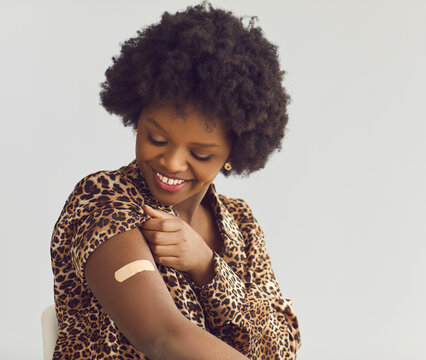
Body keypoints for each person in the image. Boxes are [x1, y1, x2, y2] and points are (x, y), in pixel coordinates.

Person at [50, 3, 301, 359]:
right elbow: (163, 338)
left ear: (235, 151)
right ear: (137, 117)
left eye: (200, 154)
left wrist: (208, 267)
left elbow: (280, 347)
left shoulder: (241, 225)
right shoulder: (103, 203)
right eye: (156, 138)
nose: (171, 162)